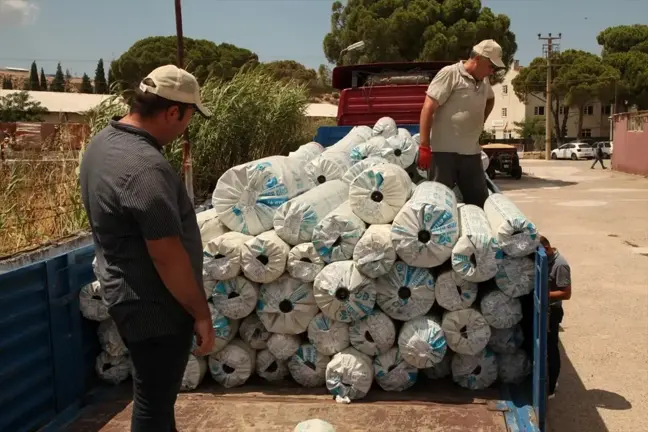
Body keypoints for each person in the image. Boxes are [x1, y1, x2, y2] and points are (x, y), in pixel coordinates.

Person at [79, 64, 215, 431]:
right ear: (173, 111)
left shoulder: (103, 143)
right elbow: (166, 255)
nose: (187, 125)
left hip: (124, 292)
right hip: (155, 308)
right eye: (188, 116)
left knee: (152, 399)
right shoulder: (144, 167)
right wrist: (200, 313)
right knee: (154, 405)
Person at [418, 39, 502, 208]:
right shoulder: (451, 74)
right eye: (491, 66)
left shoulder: (483, 81)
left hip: (471, 155)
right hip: (444, 155)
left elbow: (491, 100)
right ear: (478, 59)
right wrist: (424, 146)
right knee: (438, 205)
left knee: (480, 204)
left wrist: (480, 122)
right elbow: (428, 107)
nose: (492, 71)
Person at [539, 236, 572, 399]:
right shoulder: (545, 260)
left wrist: (543, 294)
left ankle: (551, 387)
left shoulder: (560, 265)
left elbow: (566, 294)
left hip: (552, 311)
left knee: (551, 347)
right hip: (543, 308)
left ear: (546, 248)